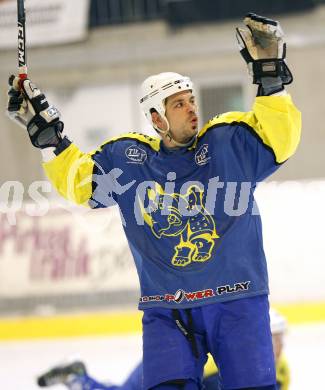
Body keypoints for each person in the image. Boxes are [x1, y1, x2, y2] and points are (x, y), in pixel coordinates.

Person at [7, 13, 301, 390]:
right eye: (179, 104)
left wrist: (271, 79)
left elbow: (280, 139)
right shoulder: (130, 160)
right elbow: (80, 184)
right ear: (156, 117)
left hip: (238, 302)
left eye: (191, 99)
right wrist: (48, 140)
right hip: (168, 309)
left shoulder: (227, 143)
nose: (192, 108)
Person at [36, 309, 290, 390]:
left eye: (280, 338)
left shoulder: (281, 370)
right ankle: (78, 377)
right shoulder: (225, 367)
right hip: (172, 366)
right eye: (271, 338)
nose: (277, 346)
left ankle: (77, 376)